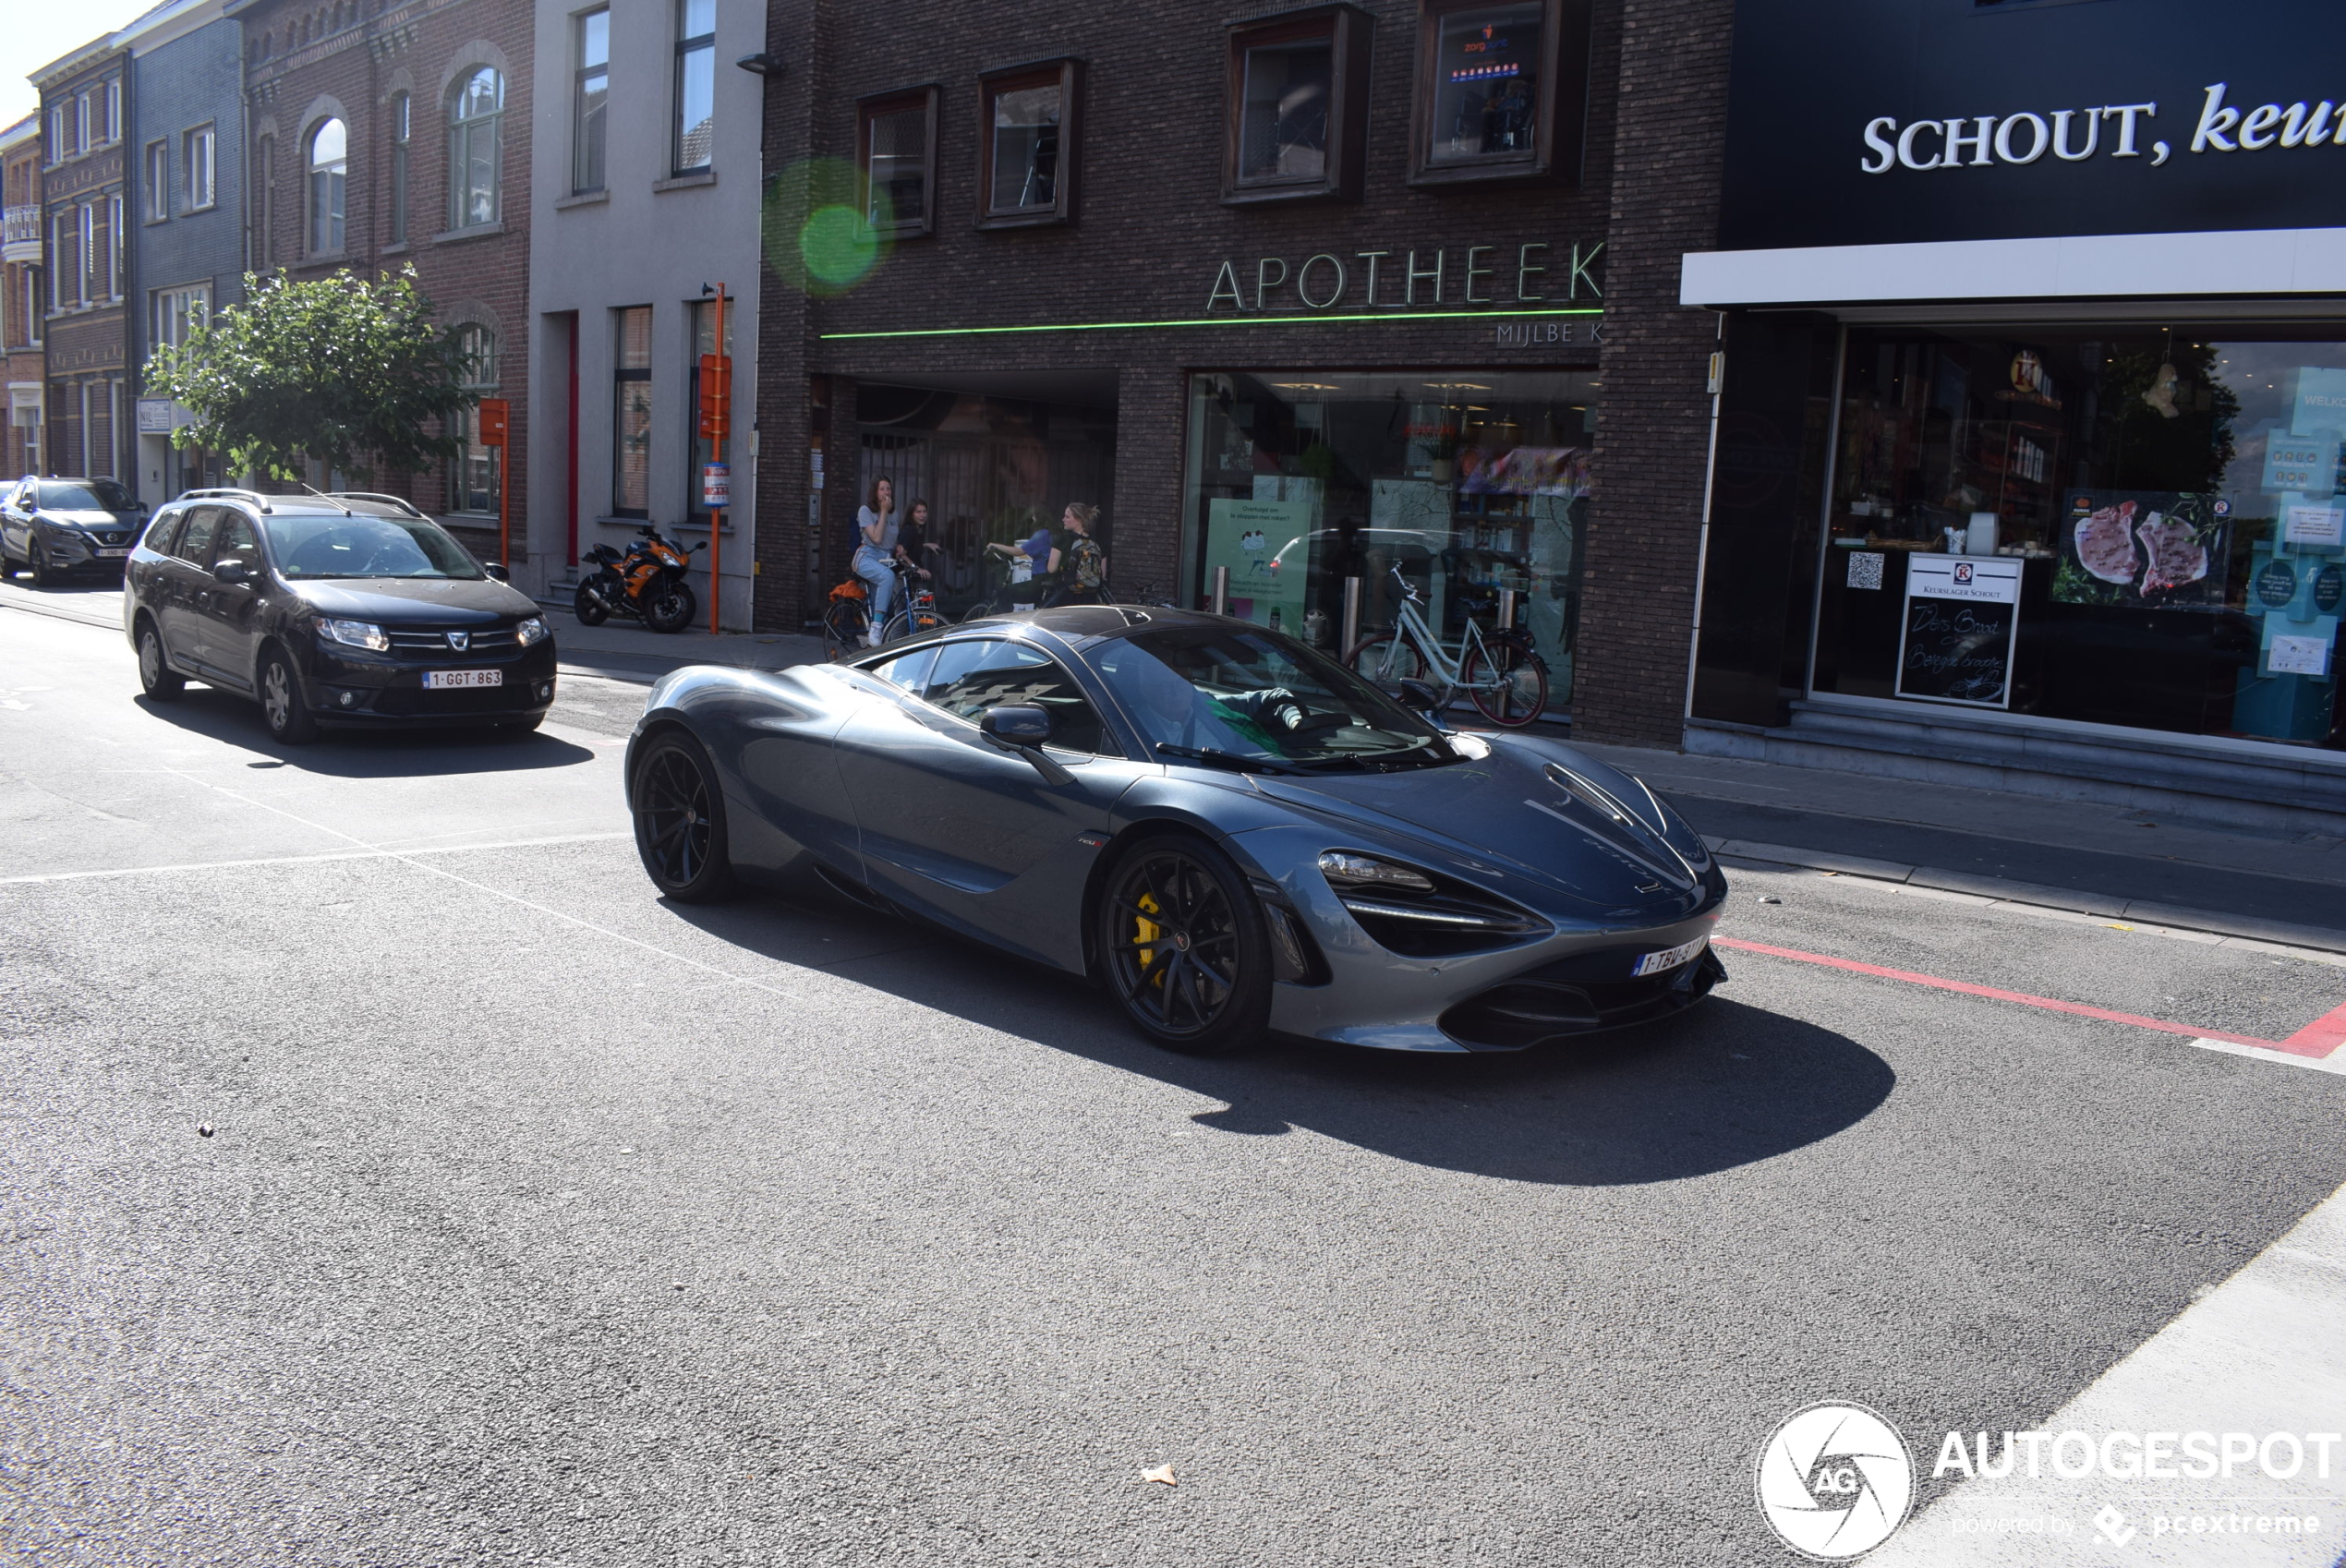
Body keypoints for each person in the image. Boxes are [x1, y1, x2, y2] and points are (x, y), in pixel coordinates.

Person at [853, 477, 899, 645]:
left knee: (887, 603)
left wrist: (899, 547)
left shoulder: (895, 514)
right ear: (875, 492)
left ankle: (875, 639)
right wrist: (883, 511)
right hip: (867, 556)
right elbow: (877, 538)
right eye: (882, 489)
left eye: (889, 488)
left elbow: (891, 541)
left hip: (885, 558)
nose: (886, 492)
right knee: (887, 577)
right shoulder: (865, 511)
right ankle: (876, 627)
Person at [1045, 501, 1107, 607]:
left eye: (1067, 517)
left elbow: (1052, 569)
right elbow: (1102, 575)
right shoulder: (1098, 543)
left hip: (1065, 596)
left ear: (1078, 520)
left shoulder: (1062, 540)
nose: (1063, 519)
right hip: (1090, 598)